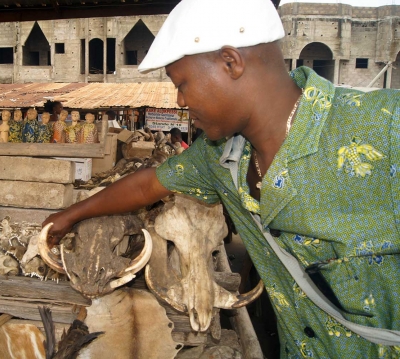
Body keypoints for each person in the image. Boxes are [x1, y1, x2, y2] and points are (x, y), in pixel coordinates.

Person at [43, 0, 400, 358]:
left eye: (182, 82)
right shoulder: (219, 156)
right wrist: (70, 216)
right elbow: (146, 185)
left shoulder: (385, 129)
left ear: (231, 62)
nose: (180, 101)